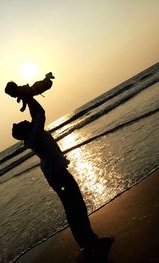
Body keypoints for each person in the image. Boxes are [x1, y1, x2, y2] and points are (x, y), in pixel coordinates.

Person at [8, 73, 114, 259]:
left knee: (75, 208)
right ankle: (89, 244)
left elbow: (35, 115)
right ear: (23, 132)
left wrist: (31, 93)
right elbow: (40, 115)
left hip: (58, 175)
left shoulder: (33, 133)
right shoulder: (33, 136)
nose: (25, 120)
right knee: (76, 208)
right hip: (59, 176)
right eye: (22, 123)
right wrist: (29, 97)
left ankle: (89, 243)